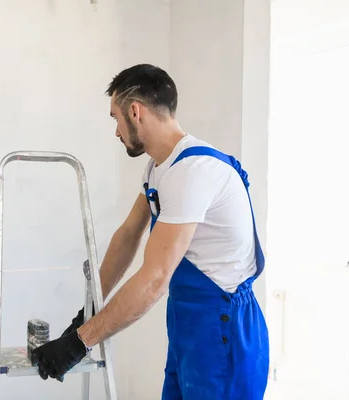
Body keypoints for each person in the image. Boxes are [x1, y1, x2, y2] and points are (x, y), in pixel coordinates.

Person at [30, 64, 269, 399]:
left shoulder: (193, 172)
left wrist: (78, 343)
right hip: (189, 327)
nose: (116, 131)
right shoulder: (160, 168)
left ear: (135, 111)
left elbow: (155, 279)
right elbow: (128, 236)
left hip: (223, 329)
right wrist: (88, 312)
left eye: (115, 117)